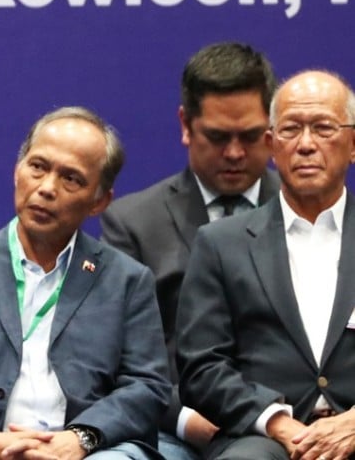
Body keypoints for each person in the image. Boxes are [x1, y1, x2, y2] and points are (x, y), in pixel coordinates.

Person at [0, 107, 169, 460]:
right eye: (38, 167)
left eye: (71, 179)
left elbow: (147, 386)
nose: (46, 189)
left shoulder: (127, 281)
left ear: (99, 202)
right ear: (17, 171)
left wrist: (80, 439)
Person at [100, 42, 278, 460]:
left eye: (250, 136)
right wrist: (185, 420)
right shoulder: (133, 224)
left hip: (286, 420)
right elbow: (119, 358)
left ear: (272, 128)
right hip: (181, 428)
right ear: (186, 124)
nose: (234, 153)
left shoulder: (306, 213)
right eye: (217, 137)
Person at [177, 70, 355, 460]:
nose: (306, 144)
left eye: (324, 128)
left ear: (353, 142)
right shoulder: (221, 243)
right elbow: (201, 367)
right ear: (272, 145)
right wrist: (277, 421)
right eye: (291, 130)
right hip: (266, 437)